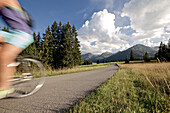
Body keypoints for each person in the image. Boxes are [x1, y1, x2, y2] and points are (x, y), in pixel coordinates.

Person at [0, 0, 33, 99]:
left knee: (4, 56)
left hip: (23, 33)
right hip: (13, 33)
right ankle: (9, 67)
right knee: (5, 57)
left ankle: (6, 88)